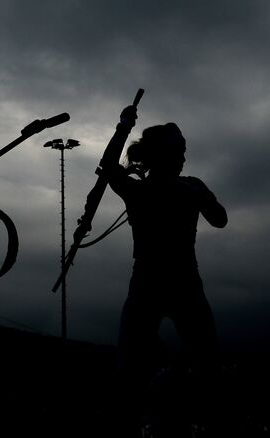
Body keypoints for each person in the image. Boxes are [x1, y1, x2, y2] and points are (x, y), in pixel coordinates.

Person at [106, 109, 227, 432]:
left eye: (184, 153)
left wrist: (122, 128)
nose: (184, 158)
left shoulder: (144, 190)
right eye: (179, 152)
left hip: (158, 280)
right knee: (203, 360)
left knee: (131, 368)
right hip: (173, 281)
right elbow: (220, 218)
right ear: (163, 155)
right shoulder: (180, 188)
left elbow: (107, 168)